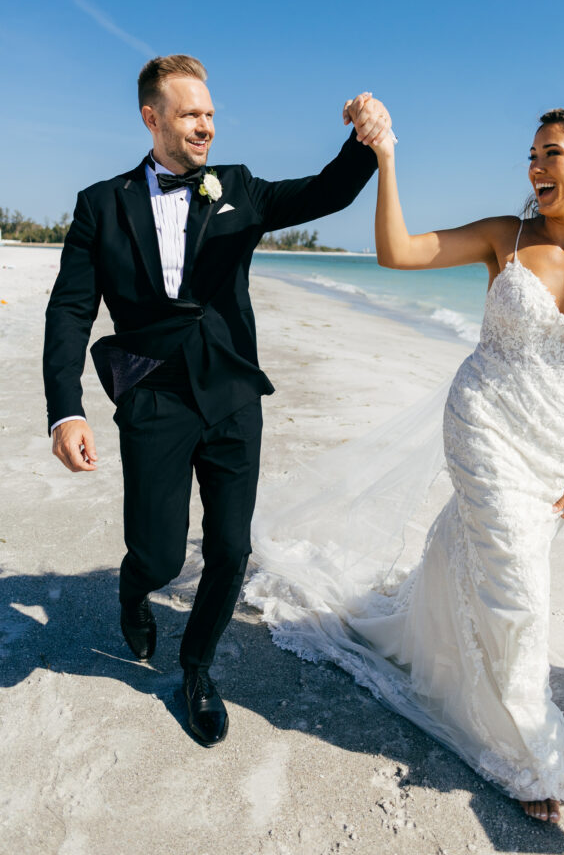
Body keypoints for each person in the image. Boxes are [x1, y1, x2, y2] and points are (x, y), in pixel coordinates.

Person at [246, 106, 564, 822]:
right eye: (530, 153)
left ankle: (431, 651)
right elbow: (397, 253)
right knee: (518, 588)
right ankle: (530, 751)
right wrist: (388, 159)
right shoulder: (506, 236)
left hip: (555, 443)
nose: (534, 167)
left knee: (480, 560)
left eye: (550, 153)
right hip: (485, 423)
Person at [43, 54, 393, 747]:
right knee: (161, 555)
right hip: (153, 399)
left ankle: (196, 669)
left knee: (231, 548)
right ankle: (133, 586)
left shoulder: (238, 188)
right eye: (190, 114)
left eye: (209, 113)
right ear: (152, 118)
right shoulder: (100, 203)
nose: (205, 125)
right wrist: (66, 408)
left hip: (233, 393)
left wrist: (365, 141)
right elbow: (70, 312)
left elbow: (327, 192)